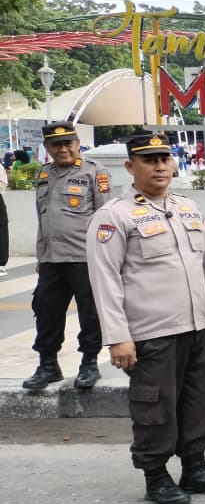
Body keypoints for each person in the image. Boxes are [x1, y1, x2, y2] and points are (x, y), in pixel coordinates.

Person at [86, 131, 205, 504]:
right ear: (129, 166)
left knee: (197, 400)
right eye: (148, 160)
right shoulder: (113, 216)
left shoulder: (187, 207)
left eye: (164, 159)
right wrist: (118, 337)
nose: (158, 166)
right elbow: (104, 281)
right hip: (150, 333)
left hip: (195, 327)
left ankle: (195, 467)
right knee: (155, 408)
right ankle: (156, 476)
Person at [23, 121, 113, 392]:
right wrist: (41, 256)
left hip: (84, 258)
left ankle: (89, 362)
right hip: (51, 259)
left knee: (90, 312)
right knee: (46, 311)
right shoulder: (44, 174)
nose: (63, 149)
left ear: (77, 144)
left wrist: (106, 255)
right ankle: (48, 364)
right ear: (47, 148)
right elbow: (43, 219)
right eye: (56, 145)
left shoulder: (93, 172)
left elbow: (106, 217)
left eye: (68, 143)